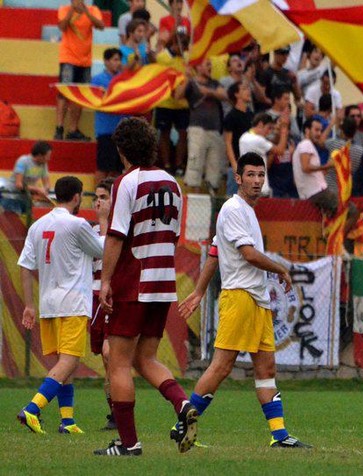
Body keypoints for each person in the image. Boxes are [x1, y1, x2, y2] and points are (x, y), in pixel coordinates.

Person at [177, 152, 311, 448]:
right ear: (238, 178)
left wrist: (198, 291)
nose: (256, 181)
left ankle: (280, 436)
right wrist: (280, 268)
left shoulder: (246, 211)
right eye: (250, 175)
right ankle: (181, 425)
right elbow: (248, 254)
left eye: (260, 175)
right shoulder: (233, 208)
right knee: (222, 367)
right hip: (239, 297)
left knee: (266, 369)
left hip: (258, 300)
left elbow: (214, 252)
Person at [94, 117, 197, 456]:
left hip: (133, 281)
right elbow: (173, 235)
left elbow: (116, 236)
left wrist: (106, 280)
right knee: (146, 357)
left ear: (122, 149)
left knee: (119, 362)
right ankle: (182, 404)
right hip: (162, 282)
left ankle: (128, 443)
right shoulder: (173, 183)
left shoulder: (126, 182)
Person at [16, 176, 104, 435]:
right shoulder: (78, 225)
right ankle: (32, 409)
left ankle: (67, 422)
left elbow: (25, 265)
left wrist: (29, 305)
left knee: (64, 364)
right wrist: (106, 222)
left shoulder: (38, 226)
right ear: (77, 197)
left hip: (48, 303)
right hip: (73, 302)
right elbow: (101, 250)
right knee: (70, 361)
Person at [174, 58, 227, 193]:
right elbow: (177, 95)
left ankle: (212, 198)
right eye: (207, 64)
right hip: (197, 129)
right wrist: (186, 79)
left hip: (215, 130)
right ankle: (195, 200)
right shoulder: (191, 83)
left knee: (214, 166)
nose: (210, 67)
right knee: (195, 164)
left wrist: (209, 92)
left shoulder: (214, 83)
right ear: (198, 67)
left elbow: (225, 95)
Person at [56, 0, 104, 141]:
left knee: (79, 94)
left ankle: (73, 129)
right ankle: (59, 128)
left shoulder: (93, 10)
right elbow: (62, 27)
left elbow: (101, 26)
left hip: (85, 59)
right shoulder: (64, 9)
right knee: (64, 93)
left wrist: (86, 12)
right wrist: (72, 10)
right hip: (68, 57)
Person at [90, 179, 116, 430]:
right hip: (92, 301)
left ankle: (119, 411)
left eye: (104, 197)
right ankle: (115, 412)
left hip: (111, 300)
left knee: (111, 354)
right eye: (96, 197)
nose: (99, 201)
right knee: (105, 359)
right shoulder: (89, 233)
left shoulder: (119, 233)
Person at [154, 32, 190, 174]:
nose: (182, 48)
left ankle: (180, 164)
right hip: (165, 102)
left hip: (182, 104)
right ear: (173, 44)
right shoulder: (163, 57)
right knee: (164, 133)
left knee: (183, 133)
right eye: (180, 44)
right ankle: (167, 164)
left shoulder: (187, 58)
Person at [92, 49, 127, 183]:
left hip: (121, 129)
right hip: (105, 129)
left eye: (119, 60)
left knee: (118, 168)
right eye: (114, 59)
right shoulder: (97, 80)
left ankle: (114, 196)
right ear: (106, 61)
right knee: (103, 166)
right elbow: (96, 100)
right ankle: (98, 196)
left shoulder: (124, 79)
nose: (117, 63)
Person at [239, 112, 289, 197]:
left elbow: (270, 146)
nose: (269, 132)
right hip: (260, 190)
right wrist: (284, 129)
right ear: (260, 124)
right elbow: (280, 151)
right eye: (268, 128)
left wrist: (277, 133)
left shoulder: (244, 137)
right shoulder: (258, 140)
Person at [292, 118, 336, 215]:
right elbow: (306, 167)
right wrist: (326, 166)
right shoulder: (306, 144)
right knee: (350, 210)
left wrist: (325, 169)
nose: (319, 133)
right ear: (307, 130)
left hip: (311, 193)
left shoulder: (303, 146)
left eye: (320, 130)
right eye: (316, 130)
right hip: (317, 193)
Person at [1, 141, 52, 214]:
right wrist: (37, 189)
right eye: (48, 156)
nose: (49, 159)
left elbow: (47, 183)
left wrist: (45, 189)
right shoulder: (23, 161)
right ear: (40, 155)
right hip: (12, 197)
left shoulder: (43, 164)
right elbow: (19, 185)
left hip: (26, 198)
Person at [223, 81, 253, 196]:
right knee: (232, 200)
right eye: (244, 89)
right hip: (236, 166)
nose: (248, 91)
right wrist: (234, 165)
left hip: (250, 166)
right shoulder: (231, 116)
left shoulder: (251, 115)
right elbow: (228, 142)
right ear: (236, 94)